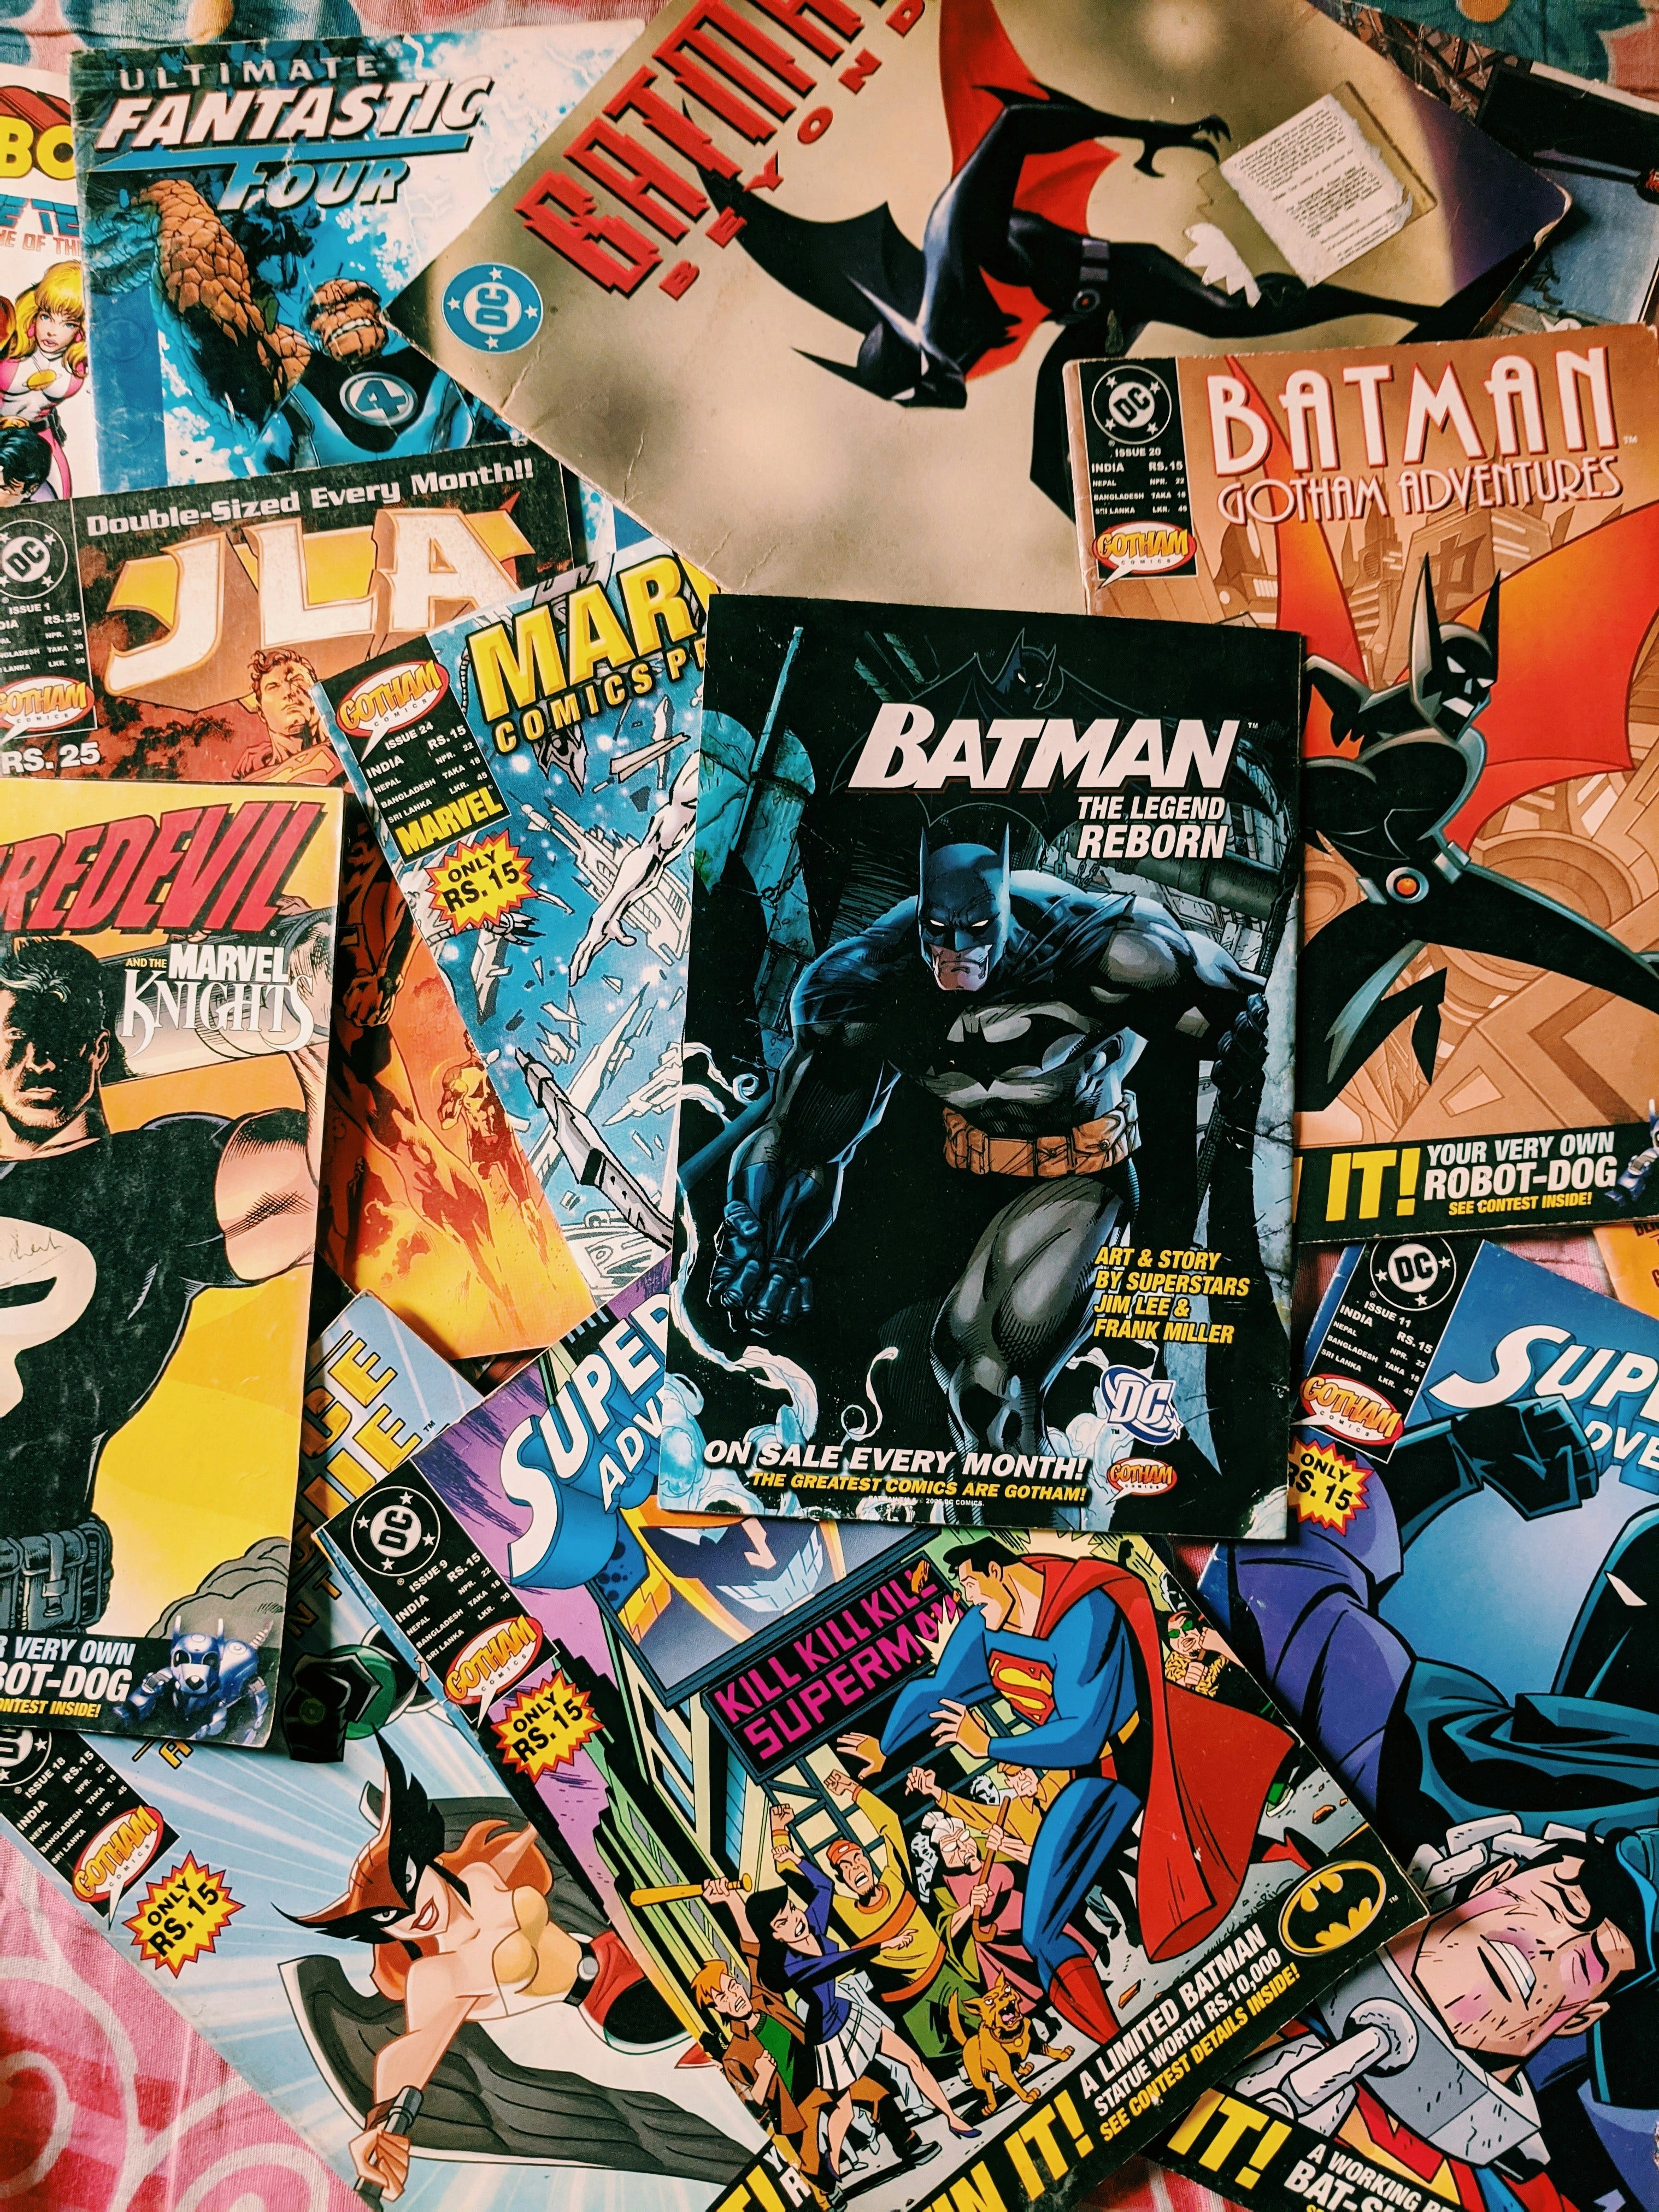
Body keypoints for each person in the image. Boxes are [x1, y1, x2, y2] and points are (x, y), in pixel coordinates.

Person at [0, 927, 329, 1628]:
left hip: (32, 1591)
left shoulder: (150, 1178)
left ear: (98, 1049)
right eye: (18, 1037)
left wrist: (318, 1040)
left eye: (63, 1038)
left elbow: (310, 1193)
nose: (41, 1061)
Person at [874, 1540, 1293, 2045]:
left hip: (1143, 1745)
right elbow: (937, 1690)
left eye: (970, 1584)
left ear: (997, 1571)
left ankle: (1294, 1855)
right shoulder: (984, 1624)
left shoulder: (1084, 1613)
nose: (968, 1599)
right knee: (1039, 1930)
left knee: (1205, 1830)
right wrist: (885, 1748)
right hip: (1095, 1778)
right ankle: (1119, 2049)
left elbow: (1081, 1734)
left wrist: (988, 1744)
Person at [291, 1741, 701, 2201]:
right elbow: (411, 2051)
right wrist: (383, 2123)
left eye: (407, 1882)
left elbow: (526, 1845)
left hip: (623, 1945)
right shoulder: (439, 1976)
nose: (413, 1912)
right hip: (620, 2007)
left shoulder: (478, 1878)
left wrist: (547, 1808)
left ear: (421, 1855)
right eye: (390, 1916)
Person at [750, 1856, 976, 2204]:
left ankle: (953, 2118)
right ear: (775, 1936)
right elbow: (834, 1962)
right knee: (843, 2109)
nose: (796, 1921)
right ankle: (832, 2164)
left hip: (850, 2016)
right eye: (783, 1922)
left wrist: (795, 1859)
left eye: (792, 1910)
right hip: (828, 2038)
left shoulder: (812, 1923)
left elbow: (824, 1886)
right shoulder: (793, 1967)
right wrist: (883, 1946)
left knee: (911, 2060)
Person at [774, 1771, 979, 2061]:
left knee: (991, 2026)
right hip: (909, 2002)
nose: (855, 1868)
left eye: (858, 1859)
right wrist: (779, 1833)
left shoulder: (896, 1878)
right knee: (945, 2058)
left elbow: (890, 1823)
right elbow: (792, 1875)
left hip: (945, 1975)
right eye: (846, 1868)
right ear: (842, 1880)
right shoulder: (844, 1913)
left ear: (868, 1861)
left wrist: (853, 1790)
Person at [0, 261, 86, 496]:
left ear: (80, 328)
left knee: (63, 497)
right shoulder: (12, 335)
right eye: (47, 317)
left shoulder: (82, 357)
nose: (52, 332)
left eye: (68, 323)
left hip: (38, 435)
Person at [234, 647, 340, 783]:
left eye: (296, 680)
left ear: (318, 695)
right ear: (261, 713)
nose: (288, 692)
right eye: (273, 687)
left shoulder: (346, 752)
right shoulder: (252, 777)